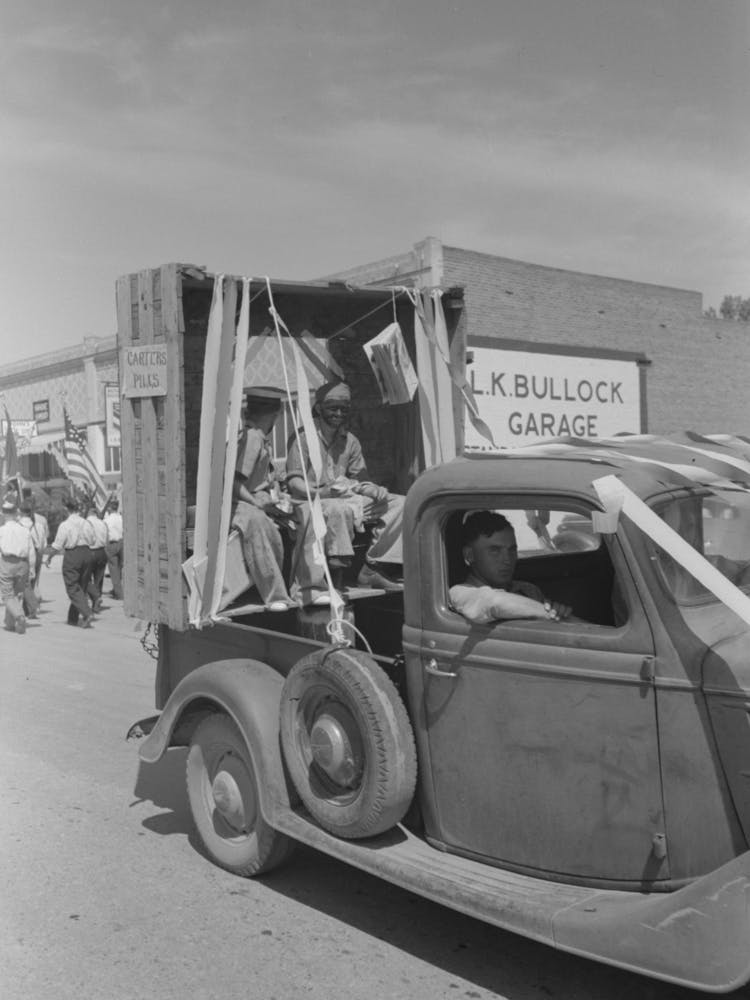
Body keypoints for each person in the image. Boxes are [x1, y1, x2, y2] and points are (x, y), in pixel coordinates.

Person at [285, 379, 404, 604]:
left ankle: (372, 566)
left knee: (401, 503)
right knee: (337, 507)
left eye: (343, 409)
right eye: (333, 408)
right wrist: (322, 492)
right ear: (319, 408)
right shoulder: (303, 438)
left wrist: (372, 489)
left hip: (345, 499)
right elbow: (294, 482)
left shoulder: (351, 441)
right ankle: (332, 568)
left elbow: (360, 479)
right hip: (311, 499)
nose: (338, 414)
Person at [449, 511, 573, 624]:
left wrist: (559, 613)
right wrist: (549, 613)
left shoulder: (528, 590)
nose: (507, 560)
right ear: (470, 555)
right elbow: (494, 602)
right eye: (495, 551)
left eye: (512, 550)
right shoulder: (460, 593)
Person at [231, 392, 295, 612]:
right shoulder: (252, 438)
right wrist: (256, 503)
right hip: (239, 503)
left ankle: (299, 586)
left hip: (257, 498)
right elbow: (234, 483)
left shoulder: (257, 438)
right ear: (273, 415)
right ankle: (274, 594)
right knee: (258, 524)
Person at [44, 497, 96, 628]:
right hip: (87, 553)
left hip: (73, 554)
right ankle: (72, 618)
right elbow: (93, 540)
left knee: (72, 587)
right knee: (81, 587)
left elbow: (57, 545)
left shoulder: (65, 525)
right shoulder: (87, 523)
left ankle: (87, 613)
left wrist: (49, 557)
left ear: (66, 509)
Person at [0, 496, 35, 634]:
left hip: (7, 563)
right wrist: (32, 568)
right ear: (16, 514)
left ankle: (19, 616)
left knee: (7, 595)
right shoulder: (24, 530)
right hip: (23, 564)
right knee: (15, 594)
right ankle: (9, 623)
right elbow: (31, 551)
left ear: (3, 514)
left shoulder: (1, 530)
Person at [18, 500, 42, 619]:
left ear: (20, 511)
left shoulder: (17, 525)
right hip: (36, 554)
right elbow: (42, 543)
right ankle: (28, 609)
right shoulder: (38, 525)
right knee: (31, 582)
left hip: (21, 555)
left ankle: (32, 607)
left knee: (23, 583)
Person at [85, 502, 108, 613]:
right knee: (99, 578)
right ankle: (96, 603)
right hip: (101, 551)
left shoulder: (85, 523)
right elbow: (107, 538)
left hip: (89, 551)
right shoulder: (103, 523)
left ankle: (94, 597)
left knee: (86, 578)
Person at [103, 498, 123, 599]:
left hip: (111, 544)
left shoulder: (107, 520)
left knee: (113, 569)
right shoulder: (121, 518)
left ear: (110, 507)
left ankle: (119, 593)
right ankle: (117, 589)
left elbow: (104, 533)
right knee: (120, 568)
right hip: (122, 543)